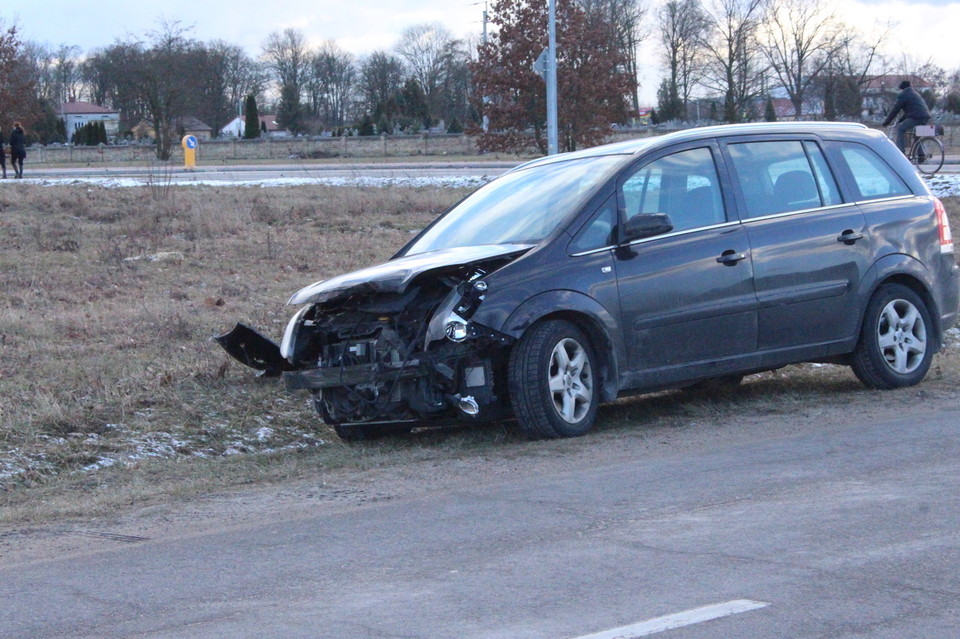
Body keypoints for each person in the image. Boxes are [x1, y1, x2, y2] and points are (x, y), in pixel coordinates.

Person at [882, 80, 931, 155]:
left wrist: (887, 122)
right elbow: (911, 110)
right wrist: (900, 120)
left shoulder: (904, 95)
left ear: (902, 88)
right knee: (916, 135)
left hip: (916, 117)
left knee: (900, 129)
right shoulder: (914, 93)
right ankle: (921, 156)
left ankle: (901, 153)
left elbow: (896, 109)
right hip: (925, 117)